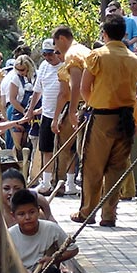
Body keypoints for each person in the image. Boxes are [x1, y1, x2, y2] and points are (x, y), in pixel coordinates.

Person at [71, 14, 137, 227]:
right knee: (116, 167)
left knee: (93, 166)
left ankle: (87, 212)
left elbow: (84, 88)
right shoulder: (134, 59)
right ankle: (109, 214)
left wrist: (94, 104)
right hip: (127, 117)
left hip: (102, 117)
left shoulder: (97, 56)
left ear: (105, 33)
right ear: (125, 35)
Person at [8, 188, 77, 273]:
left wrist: (53, 259)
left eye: (32, 212)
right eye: (21, 214)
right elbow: (5, 261)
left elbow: (73, 249)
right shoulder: (9, 235)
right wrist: (20, 270)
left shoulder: (52, 228)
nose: (27, 217)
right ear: (13, 216)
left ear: (38, 211)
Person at [52, 25, 89, 195]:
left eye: (55, 44)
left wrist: (72, 110)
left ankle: (60, 183)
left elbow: (74, 86)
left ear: (62, 38)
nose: (55, 49)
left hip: (82, 105)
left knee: (74, 147)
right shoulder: (85, 50)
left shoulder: (72, 54)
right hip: (93, 103)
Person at [26, 38, 64, 195]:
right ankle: (46, 182)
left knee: (65, 149)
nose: (48, 57)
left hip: (63, 113)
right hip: (47, 113)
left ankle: (65, 181)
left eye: (50, 54)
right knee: (45, 148)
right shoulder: (43, 67)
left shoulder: (65, 66)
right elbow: (37, 90)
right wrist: (30, 110)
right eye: (45, 54)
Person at [2, 54, 35, 151]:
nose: (20, 72)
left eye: (22, 70)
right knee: (18, 140)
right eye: (17, 69)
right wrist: (25, 112)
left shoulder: (36, 76)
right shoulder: (15, 79)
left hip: (35, 110)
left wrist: (32, 111)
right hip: (19, 109)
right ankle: (18, 155)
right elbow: (12, 99)